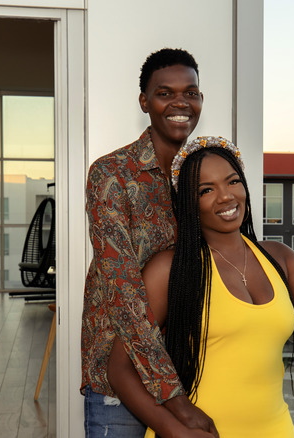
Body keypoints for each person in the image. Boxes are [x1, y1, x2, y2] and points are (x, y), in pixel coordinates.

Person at [107, 137, 294, 437]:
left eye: (233, 182)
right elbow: (120, 368)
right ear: (188, 203)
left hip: (274, 429)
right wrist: (173, 430)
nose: (225, 197)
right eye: (206, 190)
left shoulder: (280, 258)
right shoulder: (169, 269)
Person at [82, 48, 218, 438]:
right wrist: (173, 399)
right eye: (165, 92)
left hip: (194, 367)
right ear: (145, 101)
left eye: (191, 93)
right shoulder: (111, 174)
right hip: (121, 378)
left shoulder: (204, 174)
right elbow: (123, 292)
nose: (180, 102)